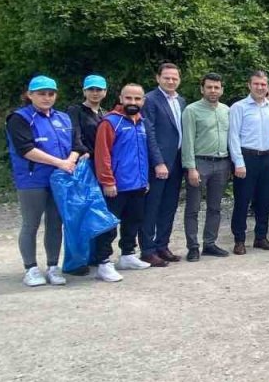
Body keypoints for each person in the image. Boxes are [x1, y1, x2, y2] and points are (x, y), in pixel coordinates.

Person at [6, 76, 82, 287]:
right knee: (31, 223)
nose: (46, 98)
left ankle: (53, 266)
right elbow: (26, 149)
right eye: (41, 94)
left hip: (60, 179)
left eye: (51, 94)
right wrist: (60, 162)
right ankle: (30, 268)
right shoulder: (19, 118)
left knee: (56, 223)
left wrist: (71, 160)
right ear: (30, 95)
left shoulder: (64, 118)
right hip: (32, 180)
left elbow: (77, 145)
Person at [93, 83, 159, 280]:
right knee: (108, 225)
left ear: (143, 101)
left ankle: (127, 255)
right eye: (128, 98)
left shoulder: (141, 122)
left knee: (133, 221)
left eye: (137, 99)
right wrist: (107, 181)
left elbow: (143, 153)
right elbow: (102, 154)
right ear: (121, 99)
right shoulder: (110, 122)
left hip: (138, 184)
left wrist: (144, 179)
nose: (133, 102)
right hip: (116, 185)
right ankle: (104, 262)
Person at [180, 72, 231, 261]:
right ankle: (193, 247)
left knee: (215, 207)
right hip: (199, 163)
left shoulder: (226, 110)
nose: (213, 90)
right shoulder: (191, 110)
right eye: (209, 87)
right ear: (202, 89)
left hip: (222, 163)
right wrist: (191, 168)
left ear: (222, 90)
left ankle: (210, 243)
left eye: (217, 87)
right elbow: (187, 141)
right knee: (193, 208)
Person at [229, 71, 269, 253]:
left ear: (268, 87)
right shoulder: (239, 107)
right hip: (247, 157)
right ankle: (239, 240)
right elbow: (233, 136)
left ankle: (261, 237)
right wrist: (238, 162)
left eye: (263, 84)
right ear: (249, 85)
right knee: (242, 200)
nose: (260, 87)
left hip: (268, 157)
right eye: (256, 84)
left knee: (265, 200)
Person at [140, 63, 186, 266]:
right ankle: (147, 250)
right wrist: (158, 162)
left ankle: (162, 246)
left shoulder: (181, 101)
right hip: (159, 163)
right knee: (152, 207)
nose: (171, 81)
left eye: (174, 78)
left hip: (177, 161)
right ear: (158, 78)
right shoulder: (150, 100)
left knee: (169, 206)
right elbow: (149, 133)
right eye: (167, 77)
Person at [68, 74, 107, 157]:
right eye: (91, 89)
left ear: (105, 92)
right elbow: (75, 135)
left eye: (99, 90)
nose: (95, 93)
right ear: (84, 91)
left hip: (102, 158)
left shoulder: (106, 114)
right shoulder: (75, 110)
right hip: (83, 157)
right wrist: (84, 151)